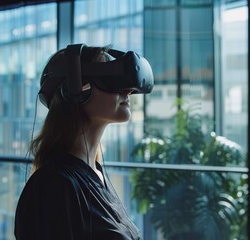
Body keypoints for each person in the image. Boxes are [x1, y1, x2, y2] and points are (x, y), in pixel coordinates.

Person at [14, 43, 153, 240]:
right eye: (111, 80)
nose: (128, 90)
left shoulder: (96, 174)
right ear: (77, 91)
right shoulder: (54, 185)